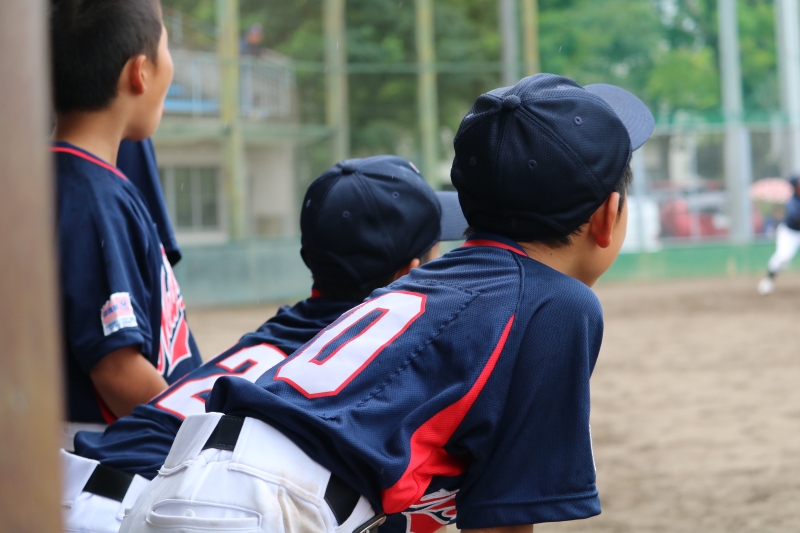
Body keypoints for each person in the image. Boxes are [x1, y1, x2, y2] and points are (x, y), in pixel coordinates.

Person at [121, 74, 655, 533]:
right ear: (608, 217)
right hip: (269, 505)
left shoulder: (427, 283)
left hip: (181, 482)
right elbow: (502, 521)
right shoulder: (558, 304)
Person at [61, 155, 467, 533]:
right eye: (435, 249)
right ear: (408, 273)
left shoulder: (283, 327)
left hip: (72, 488)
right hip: (148, 509)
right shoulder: (373, 356)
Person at [50, 0, 202, 449]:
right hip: (111, 456)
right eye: (166, 49)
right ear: (140, 73)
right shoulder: (91, 197)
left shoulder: (64, 179)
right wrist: (203, 436)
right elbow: (117, 370)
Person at [758, 176, 800, 295]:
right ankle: (768, 280)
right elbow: (796, 217)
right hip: (790, 233)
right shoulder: (792, 202)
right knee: (783, 257)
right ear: (795, 187)